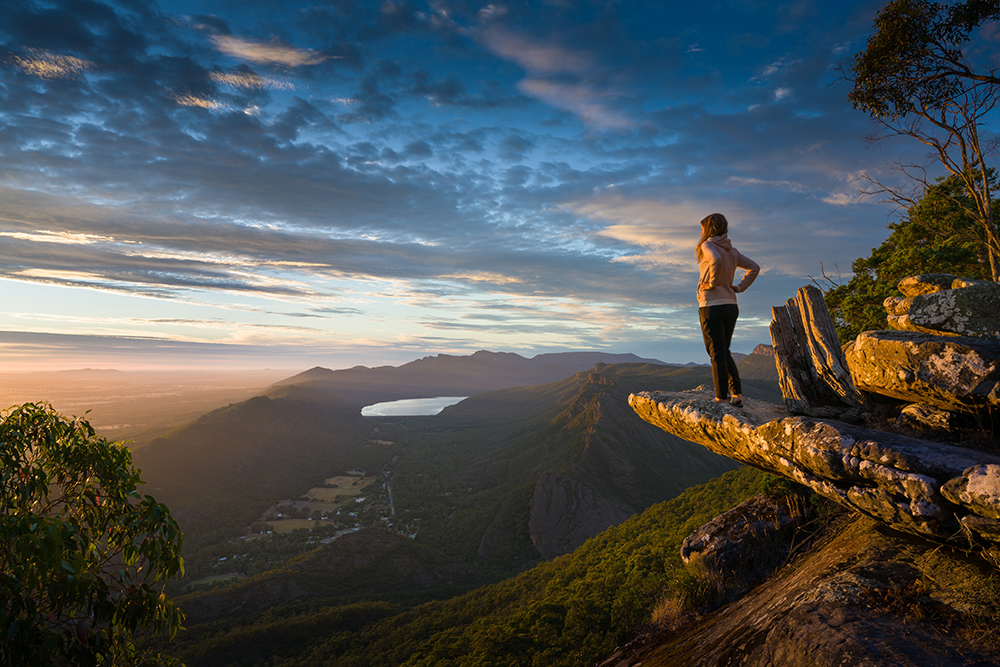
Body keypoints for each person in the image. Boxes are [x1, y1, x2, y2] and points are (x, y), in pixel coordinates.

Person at [695, 213, 759, 407]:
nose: (701, 232)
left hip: (711, 305)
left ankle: (720, 398)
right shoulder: (732, 251)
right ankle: (737, 394)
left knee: (716, 353)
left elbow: (715, 260)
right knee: (724, 351)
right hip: (731, 305)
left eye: (702, 228)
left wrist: (711, 283)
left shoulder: (708, 246)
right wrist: (739, 288)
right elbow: (754, 268)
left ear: (708, 229)